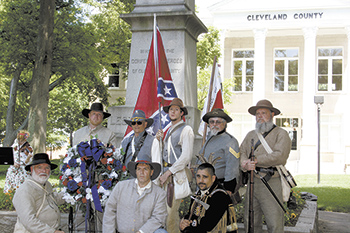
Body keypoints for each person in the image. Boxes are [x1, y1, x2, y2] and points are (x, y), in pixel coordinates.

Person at [240, 99, 291, 233]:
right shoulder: (250, 135)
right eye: (257, 114)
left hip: (271, 181)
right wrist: (245, 163)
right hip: (252, 182)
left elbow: (280, 156)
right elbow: (242, 152)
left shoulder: (281, 134)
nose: (260, 116)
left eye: (263, 113)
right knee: (250, 221)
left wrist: (256, 160)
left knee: (274, 222)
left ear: (272, 114)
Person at [156, 98, 194, 233]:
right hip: (167, 174)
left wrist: (168, 173)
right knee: (164, 213)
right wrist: (159, 141)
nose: (173, 112)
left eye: (176, 109)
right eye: (171, 109)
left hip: (176, 176)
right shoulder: (168, 130)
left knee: (171, 214)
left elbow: (186, 157)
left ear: (181, 113)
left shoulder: (186, 129)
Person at [103, 160, 167, 233]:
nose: (141, 172)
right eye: (139, 169)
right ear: (136, 171)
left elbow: (158, 218)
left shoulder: (159, 193)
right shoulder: (121, 186)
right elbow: (109, 211)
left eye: (145, 169)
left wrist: (141, 231)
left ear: (151, 172)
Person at [12, 153, 65, 233]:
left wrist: (71, 194)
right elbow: (29, 221)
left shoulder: (46, 184)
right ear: (32, 169)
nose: (44, 171)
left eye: (47, 168)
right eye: (39, 167)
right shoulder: (25, 190)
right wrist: (52, 232)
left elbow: (53, 199)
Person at [197, 108, 240, 196]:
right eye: (212, 122)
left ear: (224, 124)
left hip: (220, 187)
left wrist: (229, 188)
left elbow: (232, 167)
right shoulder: (209, 138)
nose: (214, 124)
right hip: (204, 185)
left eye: (218, 122)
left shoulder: (230, 141)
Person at [179, 163, 231, 233]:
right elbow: (191, 214)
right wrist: (184, 222)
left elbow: (208, 225)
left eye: (205, 177)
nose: (201, 180)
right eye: (198, 176)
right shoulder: (198, 194)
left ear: (213, 178)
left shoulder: (220, 196)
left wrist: (188, 228)